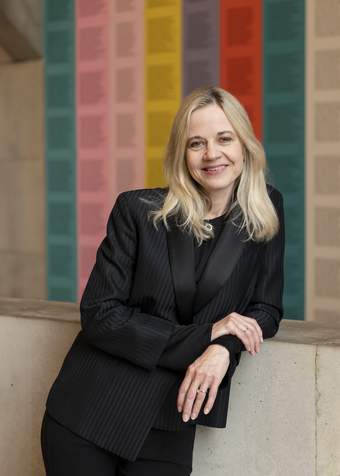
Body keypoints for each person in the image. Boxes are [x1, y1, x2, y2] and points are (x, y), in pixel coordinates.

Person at [40, 86, 285, 475]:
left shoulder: (265, 207)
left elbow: (266, 308)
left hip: (172, 417)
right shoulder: (137, 210)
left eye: (224, 139)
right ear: (181, 155)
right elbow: (101, 315)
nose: (212, 154)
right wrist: (206, 335)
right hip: (90, 410)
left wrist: (223, 347)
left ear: (244, 144)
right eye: (196, 143)